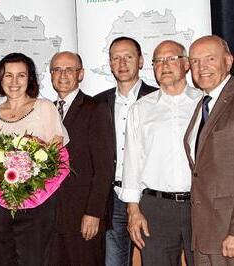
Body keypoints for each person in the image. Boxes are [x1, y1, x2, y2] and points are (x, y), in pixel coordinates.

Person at [0, 52, 69, 266]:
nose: (14, 82)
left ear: (30, 79)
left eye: (21, 76)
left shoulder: (45, 108)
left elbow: (56, 160)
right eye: (8, 75)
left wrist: (29, 185)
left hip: (38, 206)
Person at [121, 40, 200, 265]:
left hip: (199, 205)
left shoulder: (203, 102)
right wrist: (133, 210)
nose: (164, 65)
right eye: (158, 61)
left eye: (171, 59)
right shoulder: (141, 108)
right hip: (155, 207)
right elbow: (133, 161)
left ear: (186, 64)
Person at [94, 36, 157, 266]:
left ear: (140, 61)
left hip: (149, 196)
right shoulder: (98, 103)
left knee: (154, 259)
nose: (122, 63)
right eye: (115, 58)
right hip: (112, 198)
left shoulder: (157, 99)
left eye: (128, 57)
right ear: (110, 64)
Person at [47, 51, 114, 266]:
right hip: (50, 217)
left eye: (69, 69)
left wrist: (94, 213)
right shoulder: (44, 111)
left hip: (82, 217)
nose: (63, 75)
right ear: (50, 75)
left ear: (81, 74)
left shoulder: (96, 109)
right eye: (57, 69)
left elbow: (104, 168)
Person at [184, 35, 234, 265]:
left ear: (228, 61)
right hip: (205, 233)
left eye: (209, 59)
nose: (201, 67)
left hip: (227, 232)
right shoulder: (204, 103)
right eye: (195, 61)